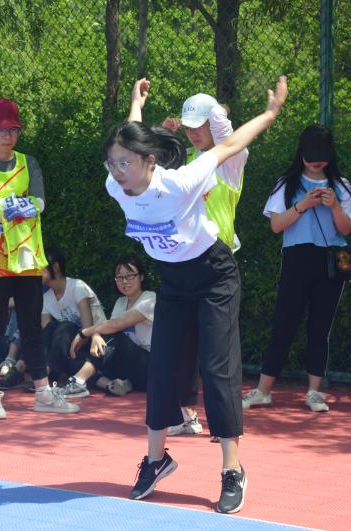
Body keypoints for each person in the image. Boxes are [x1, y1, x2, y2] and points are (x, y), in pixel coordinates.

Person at [104, 75, 287, 513]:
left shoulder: (183, 182)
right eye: (112, 163)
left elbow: (230, 145)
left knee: (217, 368)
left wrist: (269, 114)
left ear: (149, 162)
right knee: (162, 365)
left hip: (214, 276)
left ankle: (232, 469)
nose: (117, 170)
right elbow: (130, 137)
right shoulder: (116, 184)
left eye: (124, 163)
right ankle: (156, 460)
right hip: (174, 280)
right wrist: (136, 103)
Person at [0, 98, 79, 419]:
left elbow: (39, 203)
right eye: (1, 129)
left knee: (31, 324)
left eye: (13, 129)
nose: (8, 135)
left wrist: (4, 207)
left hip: (27, 256)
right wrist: (15, 206)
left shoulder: (29, 163)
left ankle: (43, 391)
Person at [242, 125, 351, 413]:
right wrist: (303, 205)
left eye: (322, 157)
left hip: (331, 261)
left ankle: (314, 392)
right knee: (284, 324)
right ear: (301, 153)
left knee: (320, 327)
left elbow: (347, 229)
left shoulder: (341, 185)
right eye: (311, 156)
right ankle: (263, 390)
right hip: (297, 258)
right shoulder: (287, 183)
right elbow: (276, 225)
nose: (316, 162)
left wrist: (335, 206)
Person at [162, 93, 249, 437]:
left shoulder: (231, 160)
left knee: (218, 356)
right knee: (182, 347)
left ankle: (224, 427)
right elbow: (146, 168)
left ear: (213, 123)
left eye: (199, 126)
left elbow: (230, 137)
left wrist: (215, 112)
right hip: (182, 263)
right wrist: (163, 134)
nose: (193, 133)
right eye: (187, 127)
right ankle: (185, 414)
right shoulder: (185, 160)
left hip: (217, 266)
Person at [61, 255, 155, 398]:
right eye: (119, 277)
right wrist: (96, 335)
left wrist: (84, 333)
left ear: (141, 277)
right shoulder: (121, 302)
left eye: (130, 276)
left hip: (149, 368)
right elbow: (108, 328)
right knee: (76, 357)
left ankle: (78, 382)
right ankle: (112, 385)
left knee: (114, 335)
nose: (124, 281)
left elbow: (115, 326)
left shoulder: (150, 299)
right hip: (126, 368)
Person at [41, 245, 107, 381]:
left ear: (55, 267)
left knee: (67, 326)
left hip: (94, 341)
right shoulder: (46, 298)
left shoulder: (77, 287)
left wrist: (67, 350)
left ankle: (46, 373)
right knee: (53, 328)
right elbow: (46, 332)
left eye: (39, 267)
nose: (35, 272)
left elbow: (87, 329)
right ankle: (36, 369)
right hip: (67, 347)